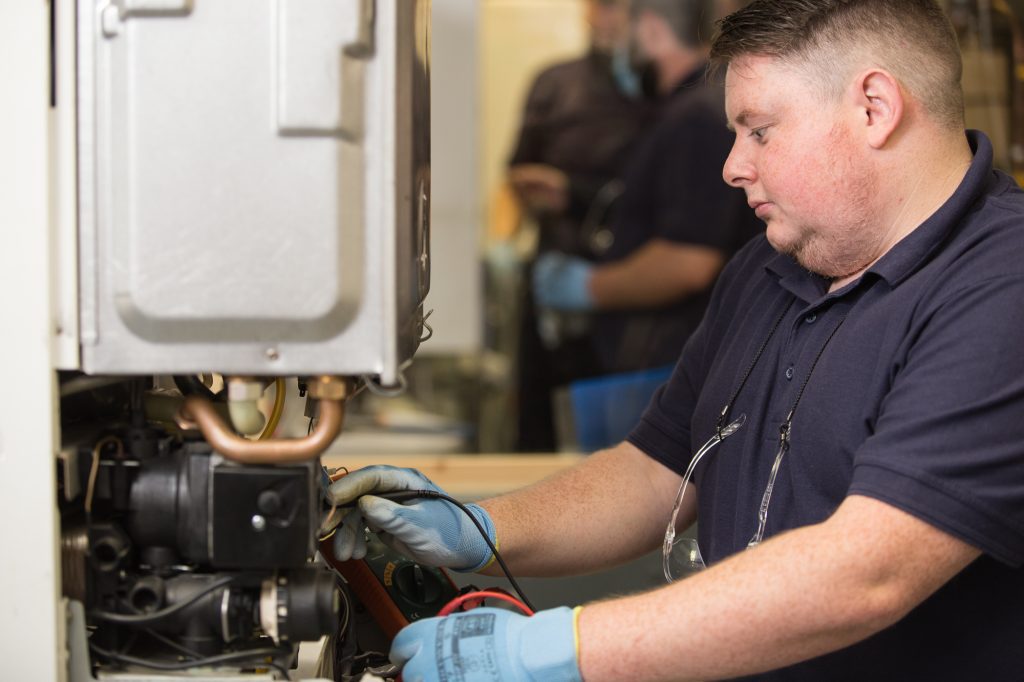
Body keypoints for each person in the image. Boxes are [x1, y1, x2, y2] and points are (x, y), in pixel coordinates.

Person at [330, 0, 1024, 679]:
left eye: (758, 130)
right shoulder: (770, 267)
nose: (733, 166)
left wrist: (560, 648)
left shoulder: (1001, 286)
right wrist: (477, 528)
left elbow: (867, 574)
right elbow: (653, 472)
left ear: (875, 106)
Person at [533, 0, 762, 378]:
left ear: (653, 31)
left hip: (672, 360)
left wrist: (588, 288)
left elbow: (688, 262)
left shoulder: (698, 117)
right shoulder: (678, 109)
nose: (617, 48)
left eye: (624, 32)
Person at [499, 0, 654, 451]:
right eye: (603, 7)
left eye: (623, 9)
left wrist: (578, 192)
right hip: (554, 283)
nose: (612, 19)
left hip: (633, 294)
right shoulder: (555, 83)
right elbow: (515, 171)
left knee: (625, 443)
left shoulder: (661, 94)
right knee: (539, 429)